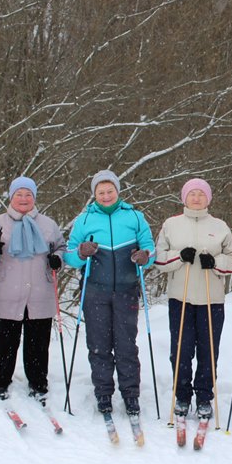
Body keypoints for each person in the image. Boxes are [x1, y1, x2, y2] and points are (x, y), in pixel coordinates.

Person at [63, 170, 154, 416]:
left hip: (126, 289)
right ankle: (103, 393)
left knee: (126, 344)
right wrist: (81, 252)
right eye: (101, 192)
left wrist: (144, 256)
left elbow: (150, 249)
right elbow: (69, 257)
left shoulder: (134, 217)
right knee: (99, 344)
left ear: (117, 191)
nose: (105, 196)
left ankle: (130, 394)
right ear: (94, 194)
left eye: (109, 191)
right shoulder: (84, 220)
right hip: (95, 291)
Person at [154, 179, 232, 418]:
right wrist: (179, 256)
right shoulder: (171, 225)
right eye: (191, 194)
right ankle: (182, 396)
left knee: (208, 350)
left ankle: (204, 396)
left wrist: (216, 263)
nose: (196, 198)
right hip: (180, 298)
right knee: (181, 350)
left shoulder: (219, 225)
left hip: (211, 299)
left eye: (201, 194)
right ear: (184, 198)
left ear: (208, 198)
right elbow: (159, 258)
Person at [0, 177, 65, 403]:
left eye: (28, 195)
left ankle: (38, 382)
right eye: (19, 195)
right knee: (5, 342)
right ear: (11, 197)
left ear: (34, 198)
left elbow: (62, 247)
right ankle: (0, 380)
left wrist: (58, 260)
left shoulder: (48, 224)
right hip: (8, 293)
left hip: (39, 293)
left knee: (38, 343)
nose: (23, 199)